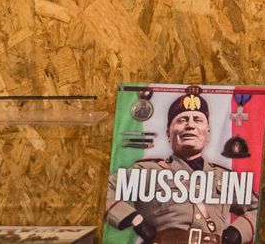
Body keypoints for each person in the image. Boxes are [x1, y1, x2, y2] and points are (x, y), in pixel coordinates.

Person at [103, 89, 256, 244]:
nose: (190, 125)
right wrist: (135, 220)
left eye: (197, 119)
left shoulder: (223, 178)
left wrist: (237, 232)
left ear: (208, 133)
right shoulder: (148, 171)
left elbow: (257, 208)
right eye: (182, 120)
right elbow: (105, 191)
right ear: (168, 133)